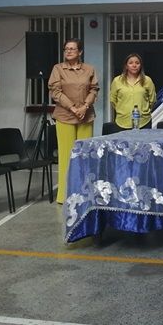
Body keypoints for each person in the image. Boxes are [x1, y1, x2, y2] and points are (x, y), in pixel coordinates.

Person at [48, 38, 99, 204]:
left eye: (72, 49)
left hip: (85, 116)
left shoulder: (89, 69)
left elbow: (94, 89)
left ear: (80, 52)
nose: (68, 51)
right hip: (65, 116)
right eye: (66, 49)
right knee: (66, 155)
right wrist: (72, 107)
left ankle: (83, 192)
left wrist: (84, 106)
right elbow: (55, 92)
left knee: (84, 155)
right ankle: (64, 195)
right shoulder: (58, 69)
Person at [109, 53, 156, 131]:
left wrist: (144, 111)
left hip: (143, 122)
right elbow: (113, 100)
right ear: (126, 66)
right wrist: (122, 111)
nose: (134, 65)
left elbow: (152, 100)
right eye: (131, 63)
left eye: (137, 63)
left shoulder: (147, 80)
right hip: (122, 122)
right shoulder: (117, 81)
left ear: (140, 66)